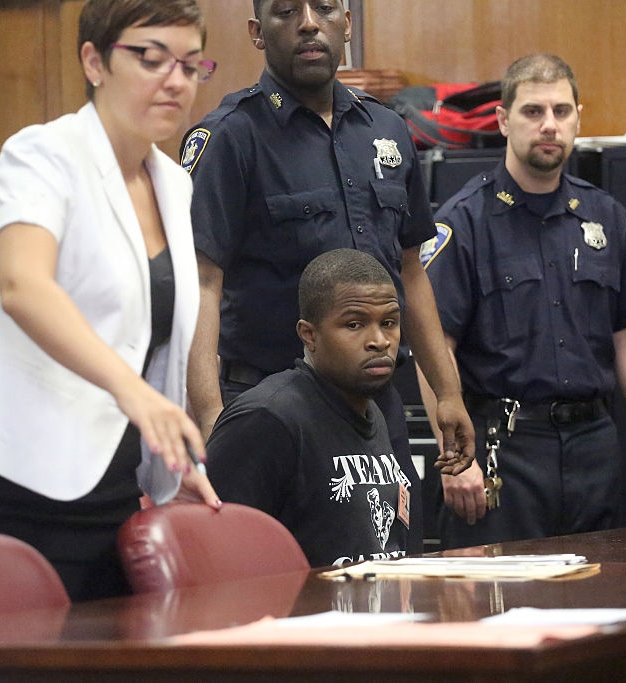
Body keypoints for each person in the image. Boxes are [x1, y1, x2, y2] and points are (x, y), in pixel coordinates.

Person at [0, 0, 221, 602]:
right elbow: (25, 287)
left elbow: (154, 345)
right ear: (94, 61)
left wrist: (171, 470)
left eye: (190, 64)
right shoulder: (42, 155)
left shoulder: (175, 183)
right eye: (152, 58)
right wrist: (132, 393)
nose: (175, 80)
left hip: (106, 488)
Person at [178, 0, 474, 554]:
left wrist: (448, 393)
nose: (309, 23)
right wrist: (212, 414)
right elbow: (202, 284)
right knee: (279, 584)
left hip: (371, 404)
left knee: (392, 570)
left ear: (346, 24)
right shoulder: (230, 136)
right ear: (257, 33)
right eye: (287, 10)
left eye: (325, 8)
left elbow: (412, 272)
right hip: (269, 410)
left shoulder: (387, 129)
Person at [419, 53, 626, 549]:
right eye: (534, 112)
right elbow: (435, 347)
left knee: (602, 605)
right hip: (503, 450)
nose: (549, 125)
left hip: (594, 445)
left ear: (579, 116)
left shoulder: (607, 217)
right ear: (503, 120)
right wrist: (456, 457)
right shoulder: (464, 221)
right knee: (504, 611)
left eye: (561, 111)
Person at [206, 248, 410, 567]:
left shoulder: (373, 414)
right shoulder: (268, 418)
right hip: (299, 614)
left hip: (376, 610)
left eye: (389, 322)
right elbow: (217, 557)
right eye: (354, 325)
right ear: (309, 335)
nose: (379, 340)